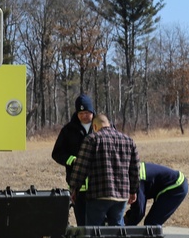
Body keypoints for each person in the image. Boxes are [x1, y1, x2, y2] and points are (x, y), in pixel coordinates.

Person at [67, 114, 139, 226]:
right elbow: (135, 169)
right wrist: (133, 191)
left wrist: (74, 188)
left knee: (94, 232)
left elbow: (81, 167)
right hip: (121, 195)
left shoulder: (92, 139)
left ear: (95, 127)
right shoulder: (129, 141)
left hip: (98, 193)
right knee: (118, 230)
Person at [52, 93, 95, 225]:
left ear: (92, 111)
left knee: (99, 223)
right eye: (80, 113)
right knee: (82, 223)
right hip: (78, 186)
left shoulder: (102, 126)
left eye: (87, 112)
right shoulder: (68, 130)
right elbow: (57, 153)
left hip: (99, 185)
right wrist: (72, 160)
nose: (84, 116)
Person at [124, 162, 189, 227]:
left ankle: (154, 236)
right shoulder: (132, 170)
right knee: (150, 224)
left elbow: (139, 212)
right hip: (171, 184)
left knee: (152, 224)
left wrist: (125, 228)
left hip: (176, 186)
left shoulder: (135, 181)